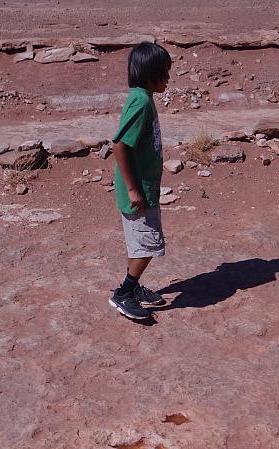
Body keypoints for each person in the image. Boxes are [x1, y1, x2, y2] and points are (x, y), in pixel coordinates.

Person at [108, 42, 172, 320]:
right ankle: (124, 294)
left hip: (143, 188)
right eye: (165, 73)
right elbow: (120, 145)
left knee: (141, 243)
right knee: (149, 245)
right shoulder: (142, 101)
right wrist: (134, 189)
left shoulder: (141, 96)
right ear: (150, 73)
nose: (169, 78)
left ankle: (132, 289)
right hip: (139, 192)